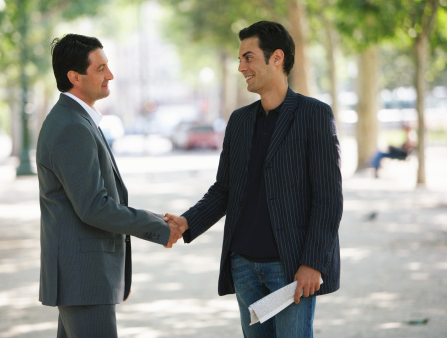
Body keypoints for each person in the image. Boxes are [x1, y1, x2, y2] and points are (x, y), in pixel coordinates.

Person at [165, 21, 343, 337]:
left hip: (290, 268)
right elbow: (224, 190)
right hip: (244, 266)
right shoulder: (239, 121)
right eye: (239, 59)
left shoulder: (315, 115)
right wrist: (187, 222)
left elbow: (328, 198)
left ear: (276, 58)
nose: (240, 67)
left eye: (248, 58)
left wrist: (313, 263)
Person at [36, 34, 182, 338]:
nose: (110, 75)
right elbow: (94, 206)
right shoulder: (72, 127)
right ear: (75, 77)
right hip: (84, 281)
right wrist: (159, 226)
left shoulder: (76, 120)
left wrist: (158, 221)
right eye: (101, 69)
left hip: (80, 281)